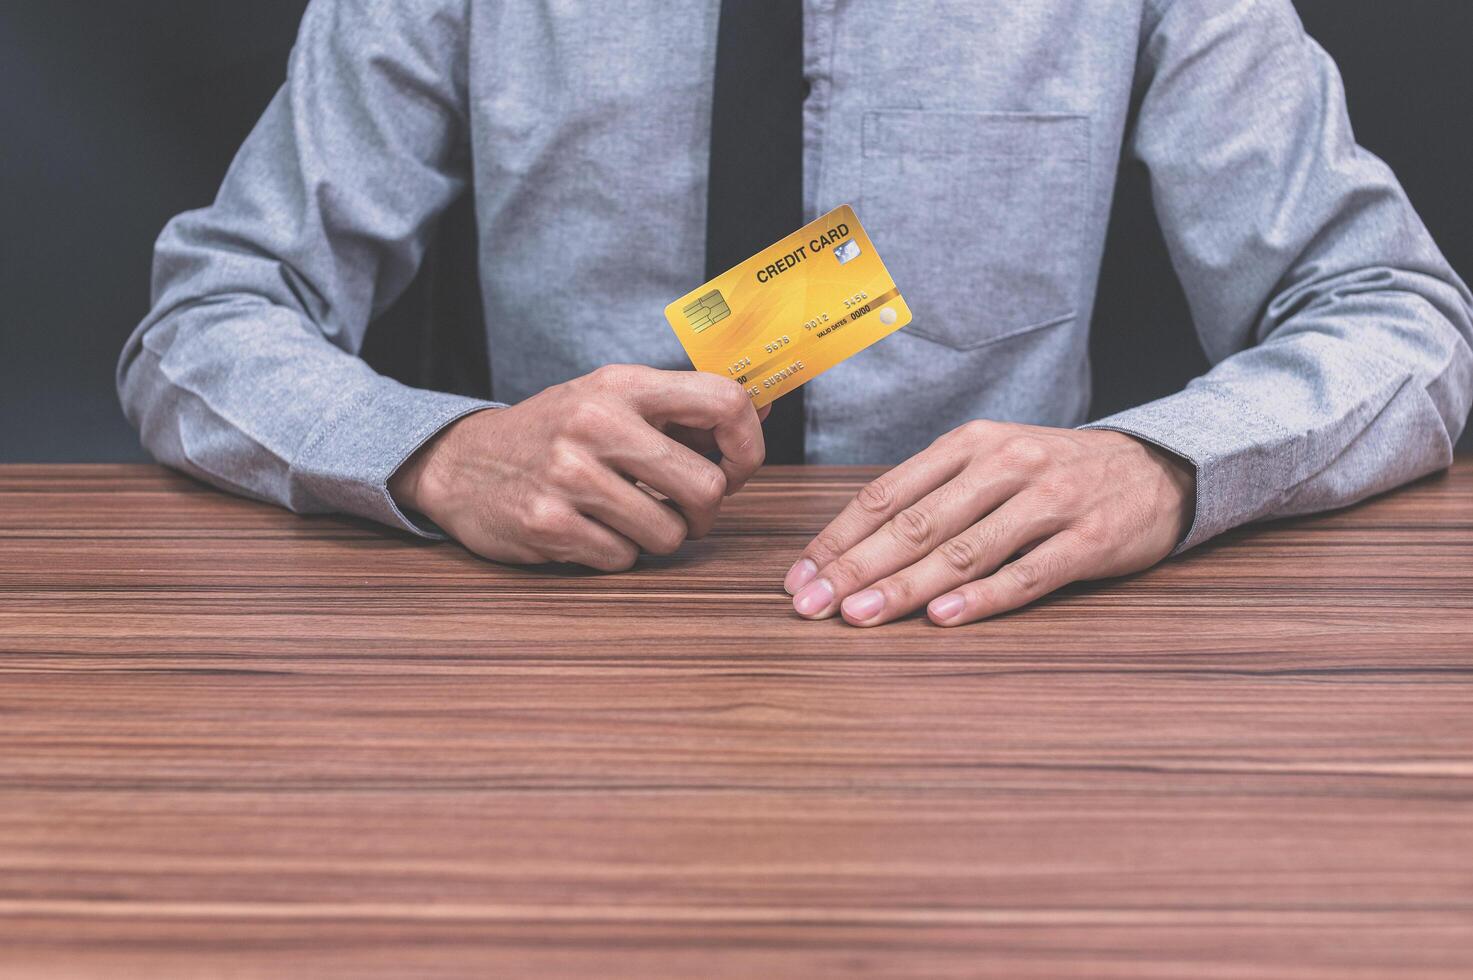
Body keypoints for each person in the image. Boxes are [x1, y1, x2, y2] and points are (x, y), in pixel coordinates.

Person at [117, 0, 1473, 628]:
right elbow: (209, 317)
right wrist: (439, 452)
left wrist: (1160, 468)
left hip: (993, 641)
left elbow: (1398, 314)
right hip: (558, 638)